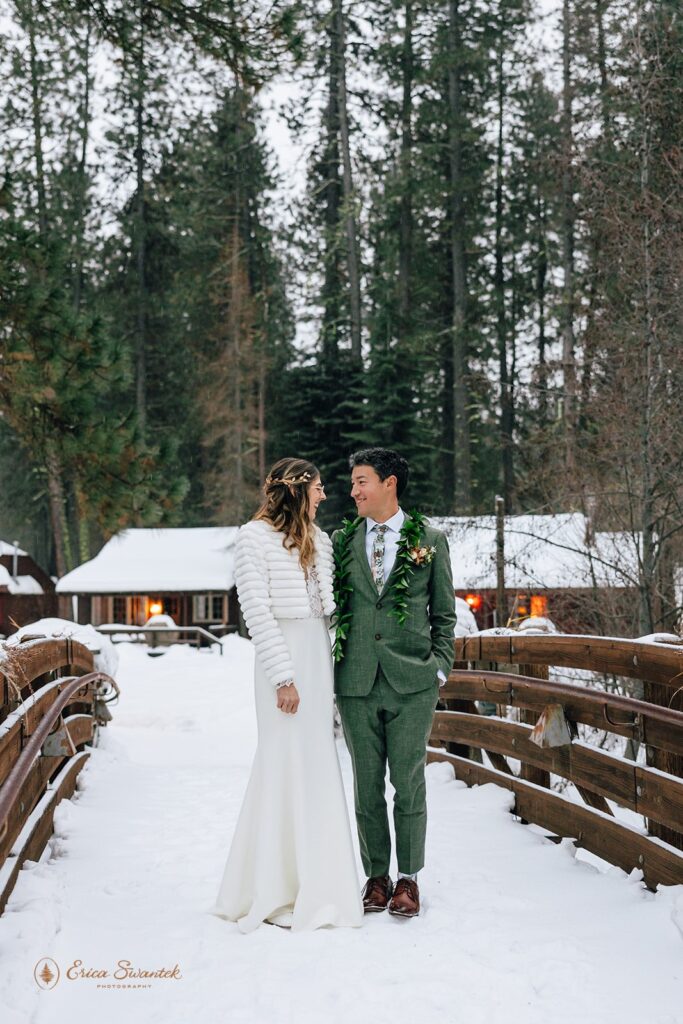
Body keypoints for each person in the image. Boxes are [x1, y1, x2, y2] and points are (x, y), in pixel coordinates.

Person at [213, 458, 363, 932]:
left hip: (317, 657)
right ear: (298, 490)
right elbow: (255, 610)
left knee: (317, 763)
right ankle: (272, 886)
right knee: (282, 762)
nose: (324, 495)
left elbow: (330, 610)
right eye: (318, 488)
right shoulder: (253, 538)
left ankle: (317, 883)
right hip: (284, 659)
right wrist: (283, 677)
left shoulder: (319, 540)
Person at [333, 448, 456, 918]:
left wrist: (438, 667)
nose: (353, 490)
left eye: (361, 481)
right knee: (366, 785)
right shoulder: (341, 541)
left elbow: (444, 614)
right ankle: (376, 877)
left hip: (412, 682)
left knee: (408, 783)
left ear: (390, 484)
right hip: (357, 681)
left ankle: (410, 879)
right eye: (352, 482)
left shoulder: (430, 538)